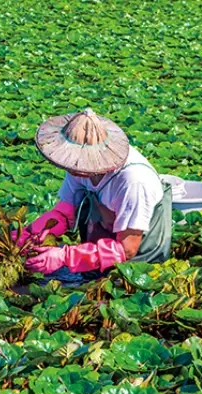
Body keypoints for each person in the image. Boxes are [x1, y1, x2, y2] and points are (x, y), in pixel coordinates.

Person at [13, 108, 173, 275]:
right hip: (106, 237)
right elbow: (65, 213)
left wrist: (65, 257)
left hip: (139, 255)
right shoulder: (75, 165)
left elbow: (127, 249)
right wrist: (27, 236)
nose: (72, 170)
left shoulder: (133, 182)